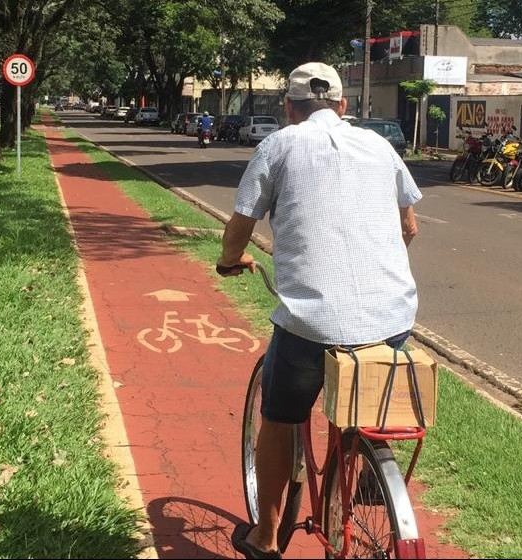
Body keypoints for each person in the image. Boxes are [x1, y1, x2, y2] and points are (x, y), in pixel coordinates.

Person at [216, 61, 422, 560]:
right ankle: (369, 478)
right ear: (344, 106)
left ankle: (266, 537)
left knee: (281, 418)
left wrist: (229, 262)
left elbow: (241, 225)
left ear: (289, 108)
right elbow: (409, 227)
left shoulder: (278, 145)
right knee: (364, 407)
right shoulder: (380, 145)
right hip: (391, 319)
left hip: (309, 326)